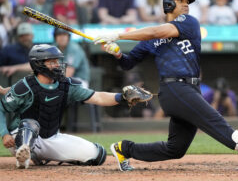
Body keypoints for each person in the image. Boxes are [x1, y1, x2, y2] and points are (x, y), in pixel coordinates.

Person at [93, 0, 238, 171]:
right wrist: (117, 53)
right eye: (181, 1)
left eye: (187, 2)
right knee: (218, 124)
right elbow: (128, 63)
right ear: (168, 5)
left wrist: (118, 35)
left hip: (189, 89)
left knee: (175, 148)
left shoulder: (188, 23)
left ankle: (124, 149)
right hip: (174, 89)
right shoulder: (151, 38)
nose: (185, 5)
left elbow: (157, 31)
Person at [0, 44, 152, 169]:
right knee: (30, 123)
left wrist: (122, 97)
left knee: (98, 155)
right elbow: (1, 108)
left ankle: (41, 156)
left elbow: (98, 97)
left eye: (58, 61)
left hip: (50, 137)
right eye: (52, 62)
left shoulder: (66, 85)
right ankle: (24, 156)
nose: (57, 65)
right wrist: (4, 134)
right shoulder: (25, 86)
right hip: (19, 137)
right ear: (38, 65)